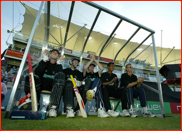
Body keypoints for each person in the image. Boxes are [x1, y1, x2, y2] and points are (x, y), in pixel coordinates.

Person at [17, 49, 65, 118]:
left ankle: (52, 108)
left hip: (53, 86)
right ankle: (33, 104)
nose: (54, 53)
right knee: (30, 77)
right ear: (50, 55)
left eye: (56, 53)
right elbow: (37, 73)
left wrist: (59, 63)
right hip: (41, 84)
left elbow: (59, 76)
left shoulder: (59, 66)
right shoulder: (43, 62)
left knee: (61, 75)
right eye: (53, 52)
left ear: (58, 57)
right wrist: (44, 61)